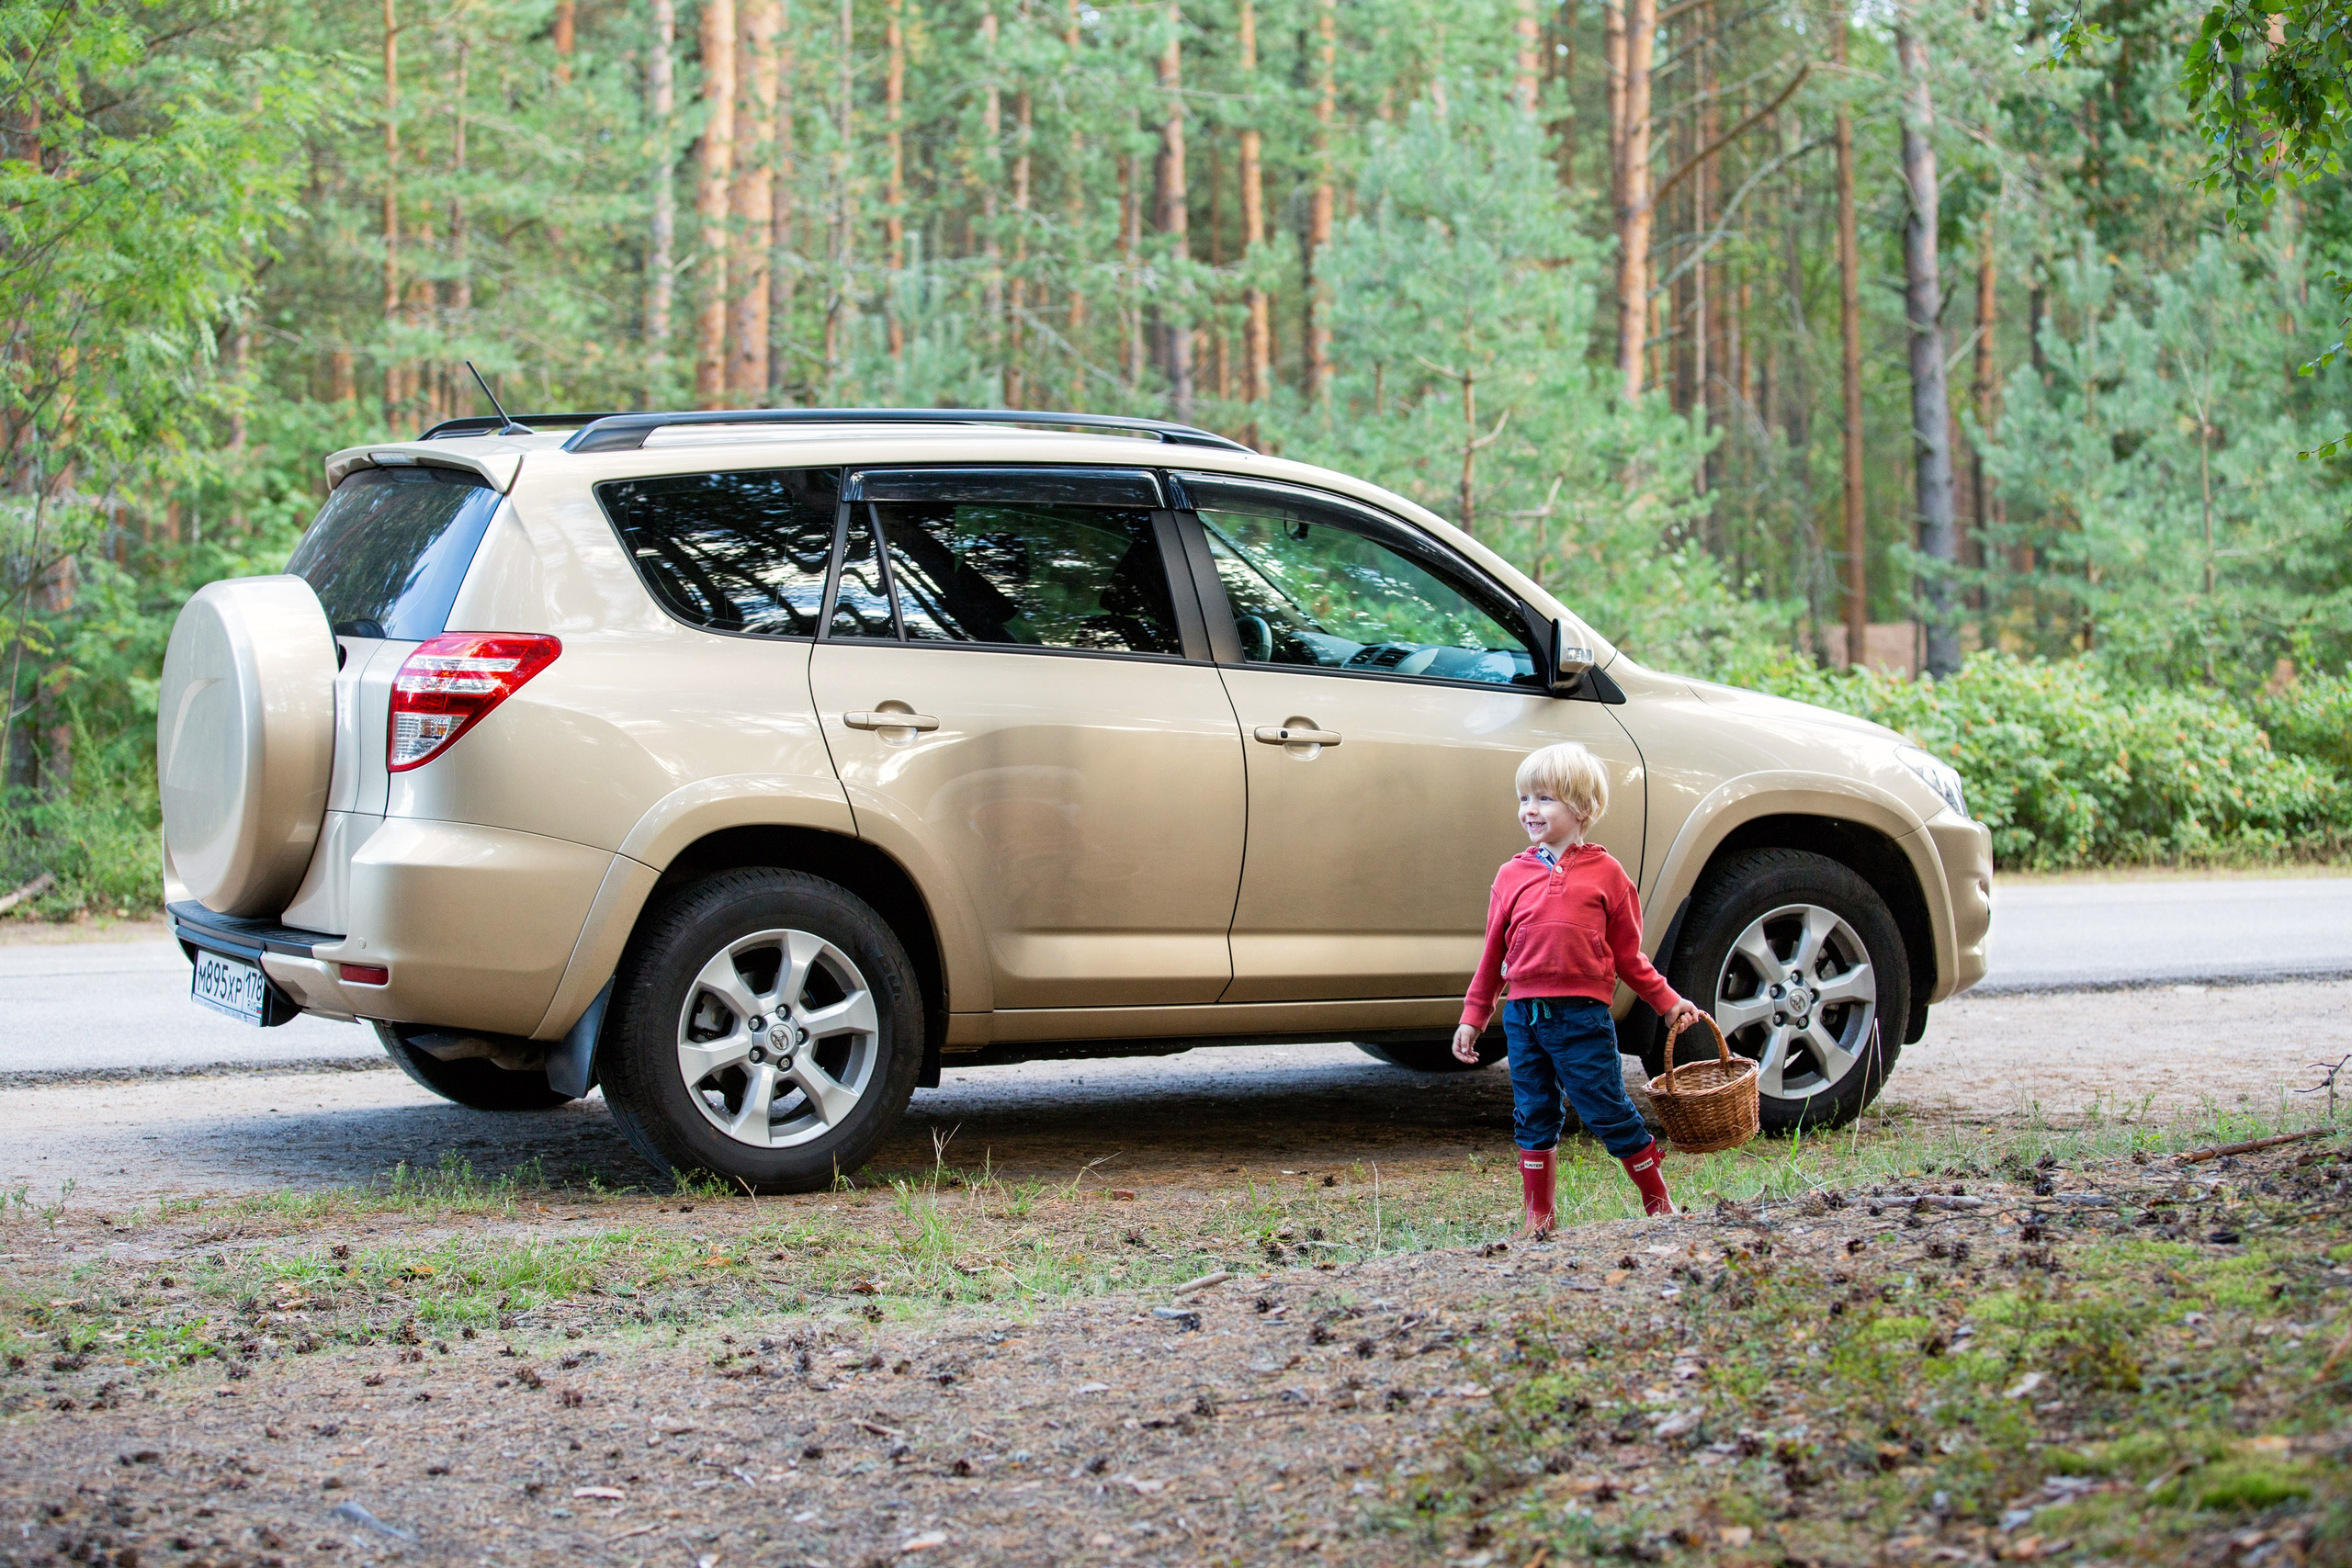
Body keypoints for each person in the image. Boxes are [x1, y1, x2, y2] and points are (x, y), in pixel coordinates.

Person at [1453, 741, 1701, 1234]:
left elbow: (1630, 957)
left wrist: (1667, 1002)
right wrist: (1473, 1017)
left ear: (1582, 808)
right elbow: (1492, 958)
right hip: (1524, 1018)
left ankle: (1658, 1202)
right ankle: (1538, 1217)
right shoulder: (1510, 876)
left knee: (1605, 1107)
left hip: (1582, 1018)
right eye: (1524, 798)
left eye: (1544, 799)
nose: (1529, 809)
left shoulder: (1609, 876)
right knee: (1533, 1111)